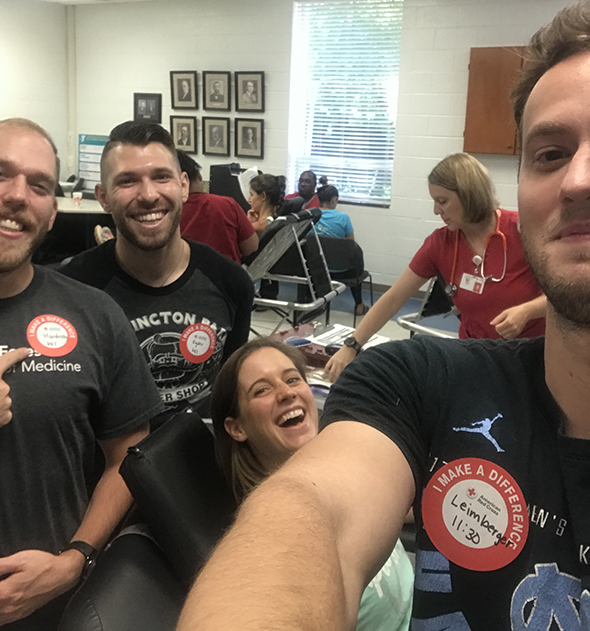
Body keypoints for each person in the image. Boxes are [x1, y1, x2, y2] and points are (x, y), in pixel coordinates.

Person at [177, 4, 590, 630]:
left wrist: (531, 307)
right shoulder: (420, 377)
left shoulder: (510, 232)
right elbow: (317, 514)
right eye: (552, 153)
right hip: (483, 363)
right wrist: (352, 346)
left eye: (443, 201)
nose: (578, 180)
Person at [0, 118, 162, 630]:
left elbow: (128, 456)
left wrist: (75, 561)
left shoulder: (93, 313)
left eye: (39, 184)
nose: (19, 195)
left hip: (55, 608)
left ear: (50, 215)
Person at [211, 338, 414, 631]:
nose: (286, 393)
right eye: (262, 390)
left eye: (292, 379)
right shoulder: (274, 539)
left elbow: (400, 504)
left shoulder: (344, 461)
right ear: (237, 428)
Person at [61, 121, 254, 424]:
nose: (148, 195)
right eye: (127, 181)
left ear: (184, 185)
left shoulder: (231, 282)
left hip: (200, 455)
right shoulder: (71, 290)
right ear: (103, 197)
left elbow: (231, 390)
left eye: (161, 176)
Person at [325, 152, 546, 382]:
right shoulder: (441, 243)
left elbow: (574, 293)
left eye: (442, 201)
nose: (436, 210)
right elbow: (393, 298)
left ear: (469, 195)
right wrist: (351, 346)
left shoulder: (524, 230)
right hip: (477, 357)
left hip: (531, 358)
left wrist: (527, 311)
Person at [178, 152, 258, 264]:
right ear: (199, 177)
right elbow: (251, 247)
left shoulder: (169, 212)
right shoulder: (227, 204)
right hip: (227, 278)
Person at [314, 184, 369, 316]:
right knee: (355, 260)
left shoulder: (312, 216)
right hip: (342, 272)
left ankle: (315, 302)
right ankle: (359, 305)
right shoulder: (344, 218)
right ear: (334, 199)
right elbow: (351, 245)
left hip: (318, 271)